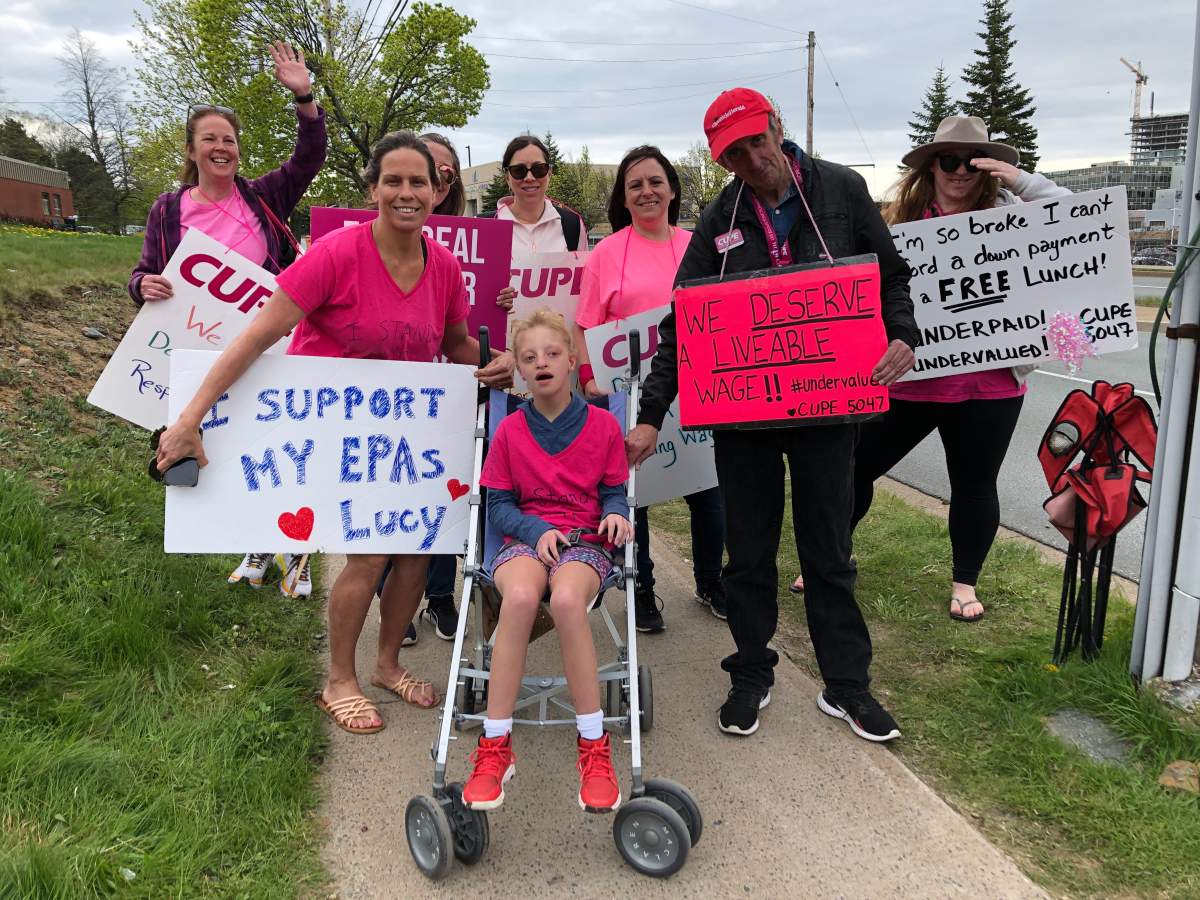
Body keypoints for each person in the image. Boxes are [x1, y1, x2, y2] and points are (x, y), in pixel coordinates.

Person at [154, 131, 515, 733]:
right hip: (335, 435)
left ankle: (386, 664)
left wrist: (493, 359)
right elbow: (258, 334)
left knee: (417, 552)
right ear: (371, 189)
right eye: (393, 181)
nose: (406, 192)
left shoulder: (445, 266)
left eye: (418, 182)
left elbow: (454, 344)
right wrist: (190, 418)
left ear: (437, 190)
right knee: (372, 553)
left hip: (407, 436)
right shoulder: (335, 254)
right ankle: (338, 680)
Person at [627, 88, 920, 742]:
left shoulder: (841, 191)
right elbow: (685, 321)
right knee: (748, 555)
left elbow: (892, 277)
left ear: (778, 128)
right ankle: (751, 672)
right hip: (744, 423)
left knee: (829, 552)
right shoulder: (719, 217)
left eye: (757, 141)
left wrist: (902, 332)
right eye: (734, 152)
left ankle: (847, 687)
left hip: (827, 412)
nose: (752, 158)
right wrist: (651, 415)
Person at [128, 41, 327, 598]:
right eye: (210, 139)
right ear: (192, 151)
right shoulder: (167, 210)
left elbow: (310, 156)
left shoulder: (263, 198)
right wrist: (141, 284)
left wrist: (303, 95)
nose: (222, 148)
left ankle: (300, 553)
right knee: (236, 445)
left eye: (230, 140)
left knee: (284, 442)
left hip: (272, 341)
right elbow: (143, 274)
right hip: (203, 350)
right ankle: (258, 545)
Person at [853, 116, 1070, 623]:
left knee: (974, 485)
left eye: (973, 162)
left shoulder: (1014, 214)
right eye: (948, 160)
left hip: (987, 387)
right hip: (907, 381)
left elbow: (1078, 217)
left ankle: (964, 583)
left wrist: (1016, 178)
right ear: (930, 167)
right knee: (854, 468)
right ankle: (833, 555)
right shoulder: (898, 226)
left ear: (989, 169)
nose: (960, 171)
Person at [463, 309, 631, 813]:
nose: (541, 363)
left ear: (571, 359)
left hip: (584, 539)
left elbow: (615, 493)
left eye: (552, 354)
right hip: (527, 537)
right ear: (517, 367)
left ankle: (593, 745)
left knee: (564, 600)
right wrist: (537, 531)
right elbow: (498, 506)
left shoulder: (602, 425)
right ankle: (495, 746)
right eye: (529, 357)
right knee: (516, 597)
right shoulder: (511, 431)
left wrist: (618, 516)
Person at [573, 145, 726, 633]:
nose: (646, 191)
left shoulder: (697, 244)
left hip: (696, 389)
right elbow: (583, 326)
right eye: (635, 184)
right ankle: (640, 587)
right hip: (630, 392)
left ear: (673, 189)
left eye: (655, 181)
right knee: (635, 496)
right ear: (623, 195)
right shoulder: (606, 252)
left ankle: (710, 582)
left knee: (708, 491)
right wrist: (589, 380)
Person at [482, 135, 587, 254]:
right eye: (519, 170)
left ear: (549, 173)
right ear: (507, 177)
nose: (529, 178)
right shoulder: (483, 227)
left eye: (539, 169)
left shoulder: (573, 225)